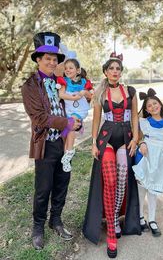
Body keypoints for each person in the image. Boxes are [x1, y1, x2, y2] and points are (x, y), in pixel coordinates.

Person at [21, 32, 81, 250]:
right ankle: (38, 226)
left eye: (55, 59)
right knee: (43, 188)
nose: (52, 62)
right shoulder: (30, 86)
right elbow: (39, 117)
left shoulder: (60, 82)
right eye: (47, 58)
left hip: (63, 143)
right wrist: (66, 123)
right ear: (38, 59)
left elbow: (71, 108)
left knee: (62, 185)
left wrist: (76, 123)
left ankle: (55, 220)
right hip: (45, 144)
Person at [83, 52, 141, 258]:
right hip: (106, 139)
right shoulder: (100, 93)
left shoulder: (131, 91)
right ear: (106, 72)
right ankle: (111, 233)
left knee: (122, 179)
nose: (115, 72)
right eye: (111, 69)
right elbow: (96, 120)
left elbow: (134, 116)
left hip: (125, 138)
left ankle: (115, 216)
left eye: (118, 69)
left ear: (121, 72)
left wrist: (135, 139)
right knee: (109, 179)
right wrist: (93, 143)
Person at [132, 88, 163, 237]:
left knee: (153, 191)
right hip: (144, 157)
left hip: (161, 160)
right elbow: (138, 139)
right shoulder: (144, 122)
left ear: (160, 103)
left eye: (155, 103)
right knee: (142, 189)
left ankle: (152, 220)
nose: (153, 107)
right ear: (146, 110)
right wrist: (141, 144)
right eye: (149, 106)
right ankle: (140, 218)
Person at [58, 58, 92, 172]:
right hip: (69, 111)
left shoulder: (84, 82)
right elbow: (61, 95)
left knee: (71, 129)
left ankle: (69, 154)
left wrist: (84, 92)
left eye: (71, 68)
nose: (67, 70)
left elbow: (92, 95)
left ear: (78, 70)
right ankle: (67, 152)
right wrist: (74, 97)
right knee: (69, 132)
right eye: (66, 68)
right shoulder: (64, 81)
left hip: (80, 111)